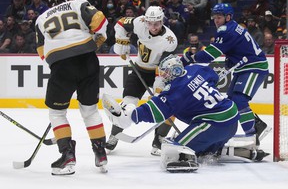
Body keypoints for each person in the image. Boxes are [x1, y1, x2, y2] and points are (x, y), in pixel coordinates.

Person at [102, 55, 269, 172]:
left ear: (172, 71)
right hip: (230, 119)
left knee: (172, 149)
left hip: (213, 124)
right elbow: (213, 78)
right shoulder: (196, 69)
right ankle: (241, 152)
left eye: (165, 73)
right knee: (203, 145)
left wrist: (131, 115)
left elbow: (154, 112)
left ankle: (187, 158)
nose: (164, 76)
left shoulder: (176, 92)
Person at [35, 0, 109, 175]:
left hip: (61, 66)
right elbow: (100, 20)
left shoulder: (41, 18)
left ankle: (67, 157)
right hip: (87, 59)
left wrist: (58, 64)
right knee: (90, 110)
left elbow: (42, 52)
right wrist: (98, 39)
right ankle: (101, 154)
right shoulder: (79, 4)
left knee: (57, 113)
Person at [181, 3, 271, 146]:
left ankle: (253, 135)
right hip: (245, 67)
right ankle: (256, 125)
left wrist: (188, 59)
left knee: (239, 100)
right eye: (214, 17)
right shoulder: (233, 26)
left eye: (219, 17)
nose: (216, 20)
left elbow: (210, 55)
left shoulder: (226, 31)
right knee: (231, 101)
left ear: (228, 17)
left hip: (255, 66)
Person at [106, 6, 178, 155]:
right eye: (150, 23)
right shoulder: (139, 22)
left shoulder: (170, 40)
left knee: (169, 109)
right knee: (127, 105)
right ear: (145, 21)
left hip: (158, 72)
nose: (153, 27)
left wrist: (159, 86)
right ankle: (114, 135)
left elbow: (164, 66)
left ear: (162, 21)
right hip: (139, 70)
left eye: (157, 23)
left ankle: (158, 141)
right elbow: (120, 23)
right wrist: (122, 44)